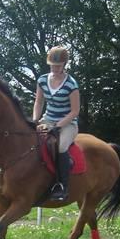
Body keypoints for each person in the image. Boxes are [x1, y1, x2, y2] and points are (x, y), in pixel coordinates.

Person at [33, 46, 80, 201]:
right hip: (48, 119)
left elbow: (75, 111)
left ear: (64, 65)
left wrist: (58, 126)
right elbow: (39, 102)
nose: (55, 68)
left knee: (60, 147)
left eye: (58, 65)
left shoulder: (71, 84)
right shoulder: (42, 80)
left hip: (68, 123)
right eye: (52, 65)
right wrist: (35, 120)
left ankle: (62, 186)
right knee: (32, 140)